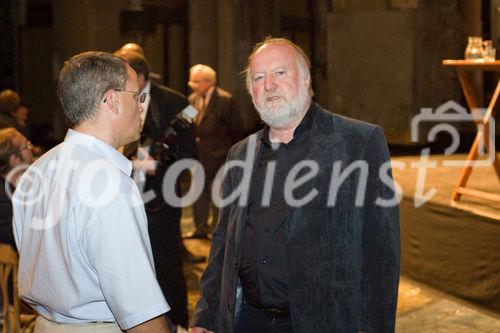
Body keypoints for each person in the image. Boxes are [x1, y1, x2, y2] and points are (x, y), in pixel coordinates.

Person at [191, 37, 400, 333]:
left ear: (306, 81)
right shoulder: (240, 153)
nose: (269, 85)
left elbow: (381, 254)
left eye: (279, 73)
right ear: (251, 91)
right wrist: (206, 315)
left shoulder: (358, 143)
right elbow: (224, 242)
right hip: (249, 321)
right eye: (258, 78)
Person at [12, 51, 171, 333]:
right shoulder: (109, 185)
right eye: (137, 96)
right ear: (112, 100)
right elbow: (141, 316)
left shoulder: (36, 171)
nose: (141, 106)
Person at [114, 49, 202, 330]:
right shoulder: (117, 98)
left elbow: (189, 154)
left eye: (123, 76)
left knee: (167, 263)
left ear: (139, 76)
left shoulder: (178, 102)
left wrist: (157, 167)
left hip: (162, 198)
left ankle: (177, 324)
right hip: (123, 195)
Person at [185, 64, 245, 239]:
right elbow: (186, 123)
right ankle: (200, 228)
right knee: (198, 193)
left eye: (195, 81)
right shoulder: (192, 100)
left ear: (208, 82)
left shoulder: (226, 101)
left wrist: (231, 155)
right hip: (198, 157)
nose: (191, 84)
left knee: (218, 194)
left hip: (219, 156)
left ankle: (217, 229)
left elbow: (237, 130)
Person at [0, 127, 33, 247]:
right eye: (26, 146)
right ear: (14, 159)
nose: (31, 149)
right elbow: (12, 237)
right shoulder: (4, 198)